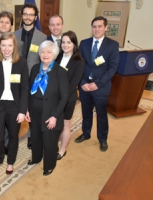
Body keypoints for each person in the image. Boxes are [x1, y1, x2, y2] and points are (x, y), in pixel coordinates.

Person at [0, 32, 29, 175]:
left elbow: (24, 88)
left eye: (9, 45)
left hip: (14, 106)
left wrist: (22, 110)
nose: (6, 48)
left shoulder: (21, 62)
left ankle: (10, 162)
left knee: (13, 135)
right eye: (3, 45)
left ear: (14, 46)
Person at [74, 16, 119, 152]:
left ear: (105, 28)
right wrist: (81, 83)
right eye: (94, 26)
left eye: (100, 26)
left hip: (101, 87)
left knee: (101, 114)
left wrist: (97, 84)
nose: (97, 29)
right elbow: (78, 65)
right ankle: (86, 133)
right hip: (85, 86)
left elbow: (112, 68)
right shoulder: (84, 43)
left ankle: (102, 139)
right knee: (86, 112)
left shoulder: (112, 45)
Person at [25, 40, 69, 176]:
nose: (45, 54)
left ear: (55, 54)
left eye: (49, 52)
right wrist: (27, 109)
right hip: (34, 110)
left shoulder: (60, 72)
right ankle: (36, 158)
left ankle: (49, 165)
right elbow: (28, 90)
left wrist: (55, 116)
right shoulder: (34, 68)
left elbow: (64, 97)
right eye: (43, 52)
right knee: (36, 137)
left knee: (49, 141)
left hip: (51, 113)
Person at [14, 3, 47, 149]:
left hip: (35, 78)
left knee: (33, 110)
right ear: (22, 15)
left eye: (31, 15)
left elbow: (43, 58)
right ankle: (13, 139)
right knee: (17, 108)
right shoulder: (14, 35)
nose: (28, 17)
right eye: (25, 14)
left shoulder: (43, 37)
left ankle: (31, 137)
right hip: (17, 79)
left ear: (35, 17)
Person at [55, 31, 85, 160]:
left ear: (74, 44)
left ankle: (62, 150)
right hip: (54, 98)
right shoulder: (57, 57)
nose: (65, 45)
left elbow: (74, 83)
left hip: (68, 98)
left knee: (65, 125)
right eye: (63, 42)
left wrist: (62, 97)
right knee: (55, 124)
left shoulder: (79, 61)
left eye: (69, 42)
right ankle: (53, 145)